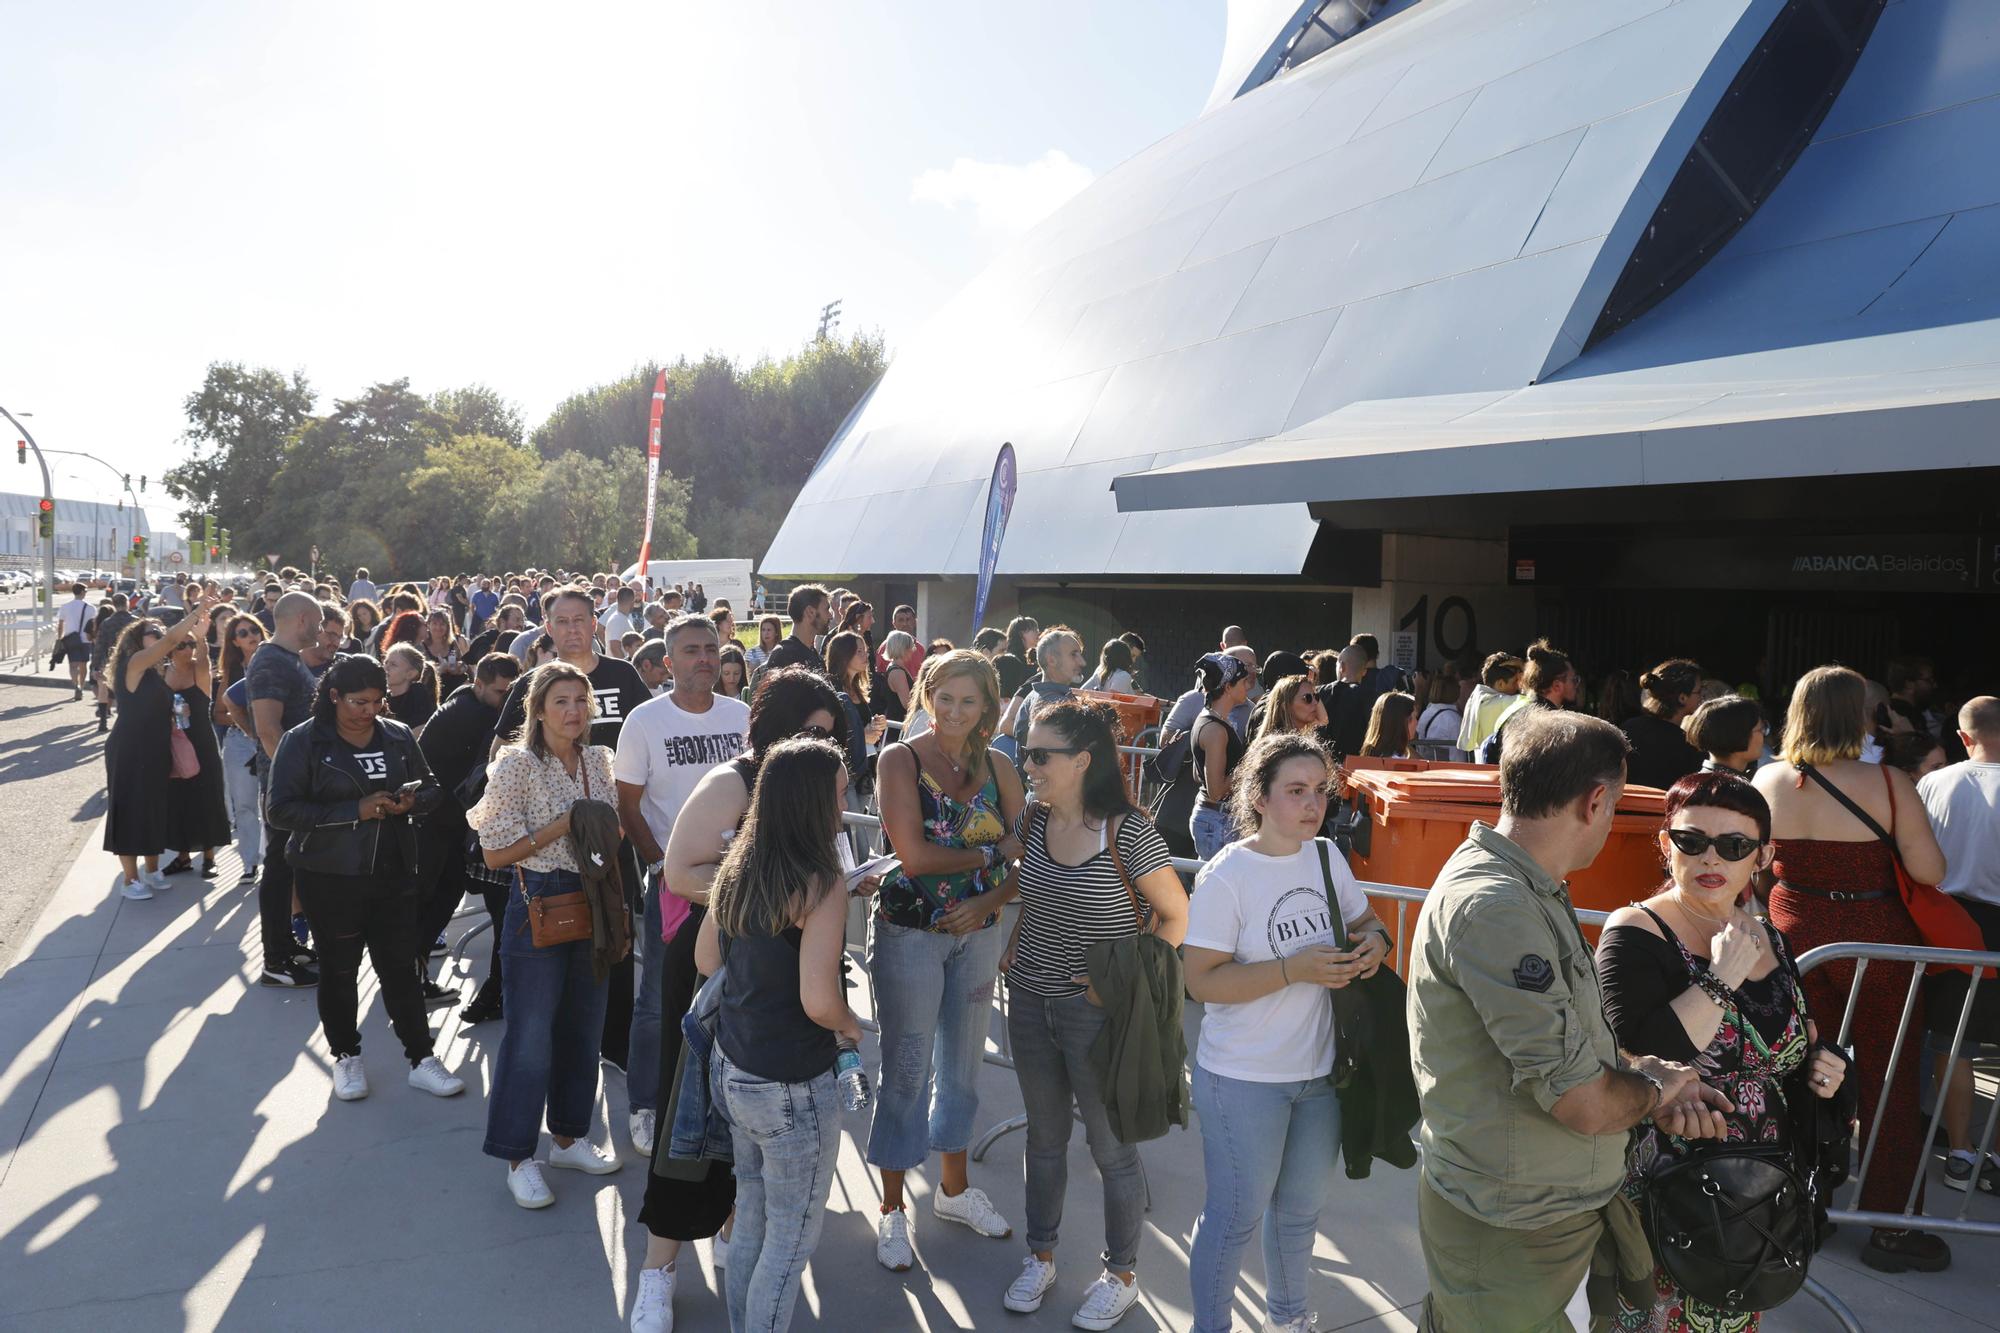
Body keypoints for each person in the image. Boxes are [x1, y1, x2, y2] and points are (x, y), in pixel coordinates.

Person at [1410, 708, 1731, 1331]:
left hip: (1535, 1215)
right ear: (1595, 801)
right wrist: (1654, 1089)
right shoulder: (1497, 906)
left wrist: (1648, 1074)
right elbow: (1581, 1102)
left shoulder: (1527, 886)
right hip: (1510, 1230)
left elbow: (1574, 1047)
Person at [635, 670, 850, 1333]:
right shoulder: (819, 878)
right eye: (839, 791)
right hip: (781, 1062)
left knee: (752, 1211)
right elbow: (819, 1000)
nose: (845, 802)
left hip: (738, 1056)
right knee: (785, 1237)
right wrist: (854, 1025)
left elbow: (708, 958)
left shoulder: (743, 865)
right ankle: (668, 1277)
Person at [1596, 771, 1845, 1331]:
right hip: (1670, 1190)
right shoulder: (1637, 929)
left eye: (1734, 846)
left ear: (1762, 855)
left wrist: (1826, 1069)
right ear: (1666, 844)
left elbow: (1790, 1050)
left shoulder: (1771, 937)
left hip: (1757, 1194)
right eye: (1691, 841)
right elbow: (1641, 1050)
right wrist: (1719, 978)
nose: (1712, 858)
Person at [1180, 730, 1388, 1333]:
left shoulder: (1326, 857)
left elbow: (1368, 922)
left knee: (1299, 1215)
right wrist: (1294, 969)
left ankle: (1288, 1320)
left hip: (1320, 1075)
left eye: (1320, 791)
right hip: (1243, 1078)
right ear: (1260, 797)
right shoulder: (1228, 874)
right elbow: (1201, 981)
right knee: (1235, 1216)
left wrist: (1373, 947)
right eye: (1296, 791)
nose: (1312, 804)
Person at [1753, 665, 1950, 1272]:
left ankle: (1801, 1212)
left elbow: (1754, 867)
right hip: (1878, 945)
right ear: (1858, 716)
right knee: (1890, 1083)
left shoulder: (1766, 780)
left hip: (1795, 942)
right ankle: (1892, 1228)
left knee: (1800, 1073)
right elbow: (1931, 873)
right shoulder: (1890, 784)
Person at [1000, 700, 1188, 1328]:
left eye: (1039, 755)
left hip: (1095, 1013)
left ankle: (1122, 1273)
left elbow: (1176, 916)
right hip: (1028, 1001)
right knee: (1045, 1140)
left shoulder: (1126, 832)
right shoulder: (1031, 817)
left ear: (1081, 760)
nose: (1028, 763)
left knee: (1112, 1151)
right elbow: (1030, 891)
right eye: (1027, 751)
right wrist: (1011, 942)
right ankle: (1041, 1255)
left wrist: (1124, 980)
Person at [869, 649, 1025, 1273]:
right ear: (926, 696)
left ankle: (955, 1193)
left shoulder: (1001, 765)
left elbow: (1030, 855)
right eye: (944, 698)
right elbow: (913, 858)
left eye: (969, 700)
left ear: (988, 705)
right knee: (906, 1071)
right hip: (910, 931)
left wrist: (987, 898)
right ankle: (890, 1211)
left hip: (979, 932)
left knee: (962, 1070)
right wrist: (994, 859)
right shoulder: (899, 759)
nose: (955, 711)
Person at [266, 654, 464, 1103]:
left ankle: (421, 1058)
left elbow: (432, 787)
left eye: (377, 701)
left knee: (401, 968)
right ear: (333, 696)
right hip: (330, 875)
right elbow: (279, 811)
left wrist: (411, 803)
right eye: (358, 702)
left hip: (393, 872)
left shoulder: (395, 737)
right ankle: (346, 1056)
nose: (369, 711)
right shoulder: (305, 742)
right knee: (339, 969)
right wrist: (351, 812)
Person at [469, 662, 625, 1207]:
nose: (574, 711)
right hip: (538, 897)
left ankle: (567, 1136)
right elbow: (493, 851)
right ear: (538, 709)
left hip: (594, 896)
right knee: (530, 1035)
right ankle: (517, 1155)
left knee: (584, 1026)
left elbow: (612, 827)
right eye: (561, 701)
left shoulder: (599, 760)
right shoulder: (516, 765)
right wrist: (563, 826)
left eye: (581, 701)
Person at [615, 613, 750, 1157]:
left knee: (729, 992)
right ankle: (646, 1105)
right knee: (657, 999)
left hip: (738, 882)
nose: (704, 659)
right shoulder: (645, 722)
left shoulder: (742, 715)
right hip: (674, 885)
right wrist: (660, 867)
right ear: (667, 663)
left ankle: (721, 1103)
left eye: (711, 649)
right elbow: (628, 806)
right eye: (691, 650)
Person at [1917, 697, 2000, 1191]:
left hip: (1951, 923)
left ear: (1964, 738)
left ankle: (1963, 1154)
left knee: (1954, 1044)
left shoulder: (1935, 781)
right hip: (1971, 920)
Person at [414, 651, 522, 1012]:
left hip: (442, 820)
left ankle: (412, 976)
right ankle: (412, 978)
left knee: (439, 899)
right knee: (437, 900)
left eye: (511, 693)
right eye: (498, 692)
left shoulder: (465, 703)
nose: (505, 701)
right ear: (478, 684)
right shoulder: (475, 716)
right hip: (442, 823)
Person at [247, 592, 329, 988]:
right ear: (300, 620)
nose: (321, 627)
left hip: (295, 785)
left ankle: (288, 946)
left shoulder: (287, 659)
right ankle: (275, 960)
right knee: (279, 870)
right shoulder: (270, 661)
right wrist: (296, 781)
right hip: (285, 789)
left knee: (290, 868)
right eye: (317, 620)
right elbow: (267, 730)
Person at [103, 608, 214, 899]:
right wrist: (195, 614)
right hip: (130, 747)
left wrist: (179, 712)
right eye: (154, 632)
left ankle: (152, 871)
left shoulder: (155, 671)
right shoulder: (135, 663)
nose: (161, 636)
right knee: (129, 809)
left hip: (155, 747)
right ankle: (130, 880)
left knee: (154, 809)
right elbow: (170, 643)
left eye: (161, 631)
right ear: (137, 641)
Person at [159, 620, 232, 879]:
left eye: (190, 644)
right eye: (182, 644)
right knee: (177, 799)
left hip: (201, 743)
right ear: (169, 649)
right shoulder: (161, 674)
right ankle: (182, 856)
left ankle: (209, 857)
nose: (187, 649)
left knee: (206, 798)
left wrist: (201, 639)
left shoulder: (198, 671)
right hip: (172, 743)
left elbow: (203, 660)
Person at [216, 613, 269, 886]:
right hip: (240, 742)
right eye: (243, 633)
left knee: (273, 802)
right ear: (234, 641)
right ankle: (250, 862)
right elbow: (219, 713)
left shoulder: (276, 662)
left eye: (254, 630)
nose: (251, 636)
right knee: (245, 805)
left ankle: (273, 858)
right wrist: (247, 722)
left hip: (272, 738)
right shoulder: (232, 673)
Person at [1476, 640, 1579, 765]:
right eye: (1574, 680)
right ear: (1557, 686)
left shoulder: (1516, 708)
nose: (1577, 685)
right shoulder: (1548, 723)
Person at [1190, 652, 1252, 859]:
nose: (1248, 686)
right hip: (1217, 820)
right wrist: (1248, 764)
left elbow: (1198, 775)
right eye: (1243, 681)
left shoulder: (1208, 719)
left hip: (1213, 818)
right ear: (1227, 687)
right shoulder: (1216, 729)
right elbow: (1216, 791)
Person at [1622, 659, 1706, 790]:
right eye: (1699, 691)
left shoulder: (1628, 727)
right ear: (1682, 698)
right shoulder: (1688, 744)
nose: (1702, 697)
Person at [1456, 652, 1524, 757]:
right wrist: (1524, 667)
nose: (1519, 686)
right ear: (1500, 683)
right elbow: (1535, 698)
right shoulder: (1501, 702)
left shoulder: (1478, 699)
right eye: (1515, 681)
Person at [1688, 693, 1766, 778]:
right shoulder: (1734, 788)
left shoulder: (1691, 784)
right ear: (1739, 735)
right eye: (1761, 729)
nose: (1764, 735)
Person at [89, 592, 135, 733]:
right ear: (127, 603)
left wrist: (94, 665)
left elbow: (100, 645)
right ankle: (125, 721)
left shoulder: (106, 622)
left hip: (107, 660)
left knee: (103, 690)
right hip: (129, 660)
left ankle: (103, 721)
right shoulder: (135, 621)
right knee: (129, 691)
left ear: (114, 605)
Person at [765, 584, 830, 673]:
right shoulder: (784, 656)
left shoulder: (813, 655)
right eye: (827, 609)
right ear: (810, 612)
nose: (831, 616)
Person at [383, 642, 439, 730]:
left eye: (393, 664)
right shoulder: (383, 696)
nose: (386, 667)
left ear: (410, 674)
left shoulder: (417, 693)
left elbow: (420, 730)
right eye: (386, 662)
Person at [1254, 673, 1325, 741]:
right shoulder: (1278, 745)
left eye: (1316, 697)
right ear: (1286, 706)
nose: (1316, 702)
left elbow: (1323, 721)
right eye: (1307, 698)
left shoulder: (1305, 737)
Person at [55, 582, 95, 700]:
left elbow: (60, 624)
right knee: (83, 665)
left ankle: (76, 686)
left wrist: (59, 638)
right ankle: (81, 687)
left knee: (73, 665)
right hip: (86, 639)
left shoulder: (65, 606)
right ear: (82, 592)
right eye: (86, 591)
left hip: (70, 639)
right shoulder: (91, 608)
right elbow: (94, 625)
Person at [1414, 671, 1466, 760]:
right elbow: (1457, 754)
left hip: (1426, 766)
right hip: (1447, 770)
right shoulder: (1454, 719)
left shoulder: (1426, 712)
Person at [422, 607, 471, 697]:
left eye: (442, 624)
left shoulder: (452, 643)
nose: (438, 627)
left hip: (454, 686)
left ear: (447, 626)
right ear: (428, 625)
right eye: (435, 623)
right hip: (433, 688)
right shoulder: (423, 646)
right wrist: (441, 668)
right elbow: (423, 674)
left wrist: (460, 668)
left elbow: (464, 664)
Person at [875, 629, 919, 725]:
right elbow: (907, 704)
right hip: (897, 727)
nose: (912, 650)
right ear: (903, 648)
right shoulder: (897, 672)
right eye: (910, 647)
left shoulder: (896, 668)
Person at [1359, 690, 1417, 759]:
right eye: (1414, 717)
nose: (1417, 722)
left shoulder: (1372, 756)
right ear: (1401, 722)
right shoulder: (1396, 761)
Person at [994, 616, 1041, 699]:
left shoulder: (1034, 658)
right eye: (1034, 629)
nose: (1038, 632)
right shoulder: (1008, 661)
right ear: (1022, 633)